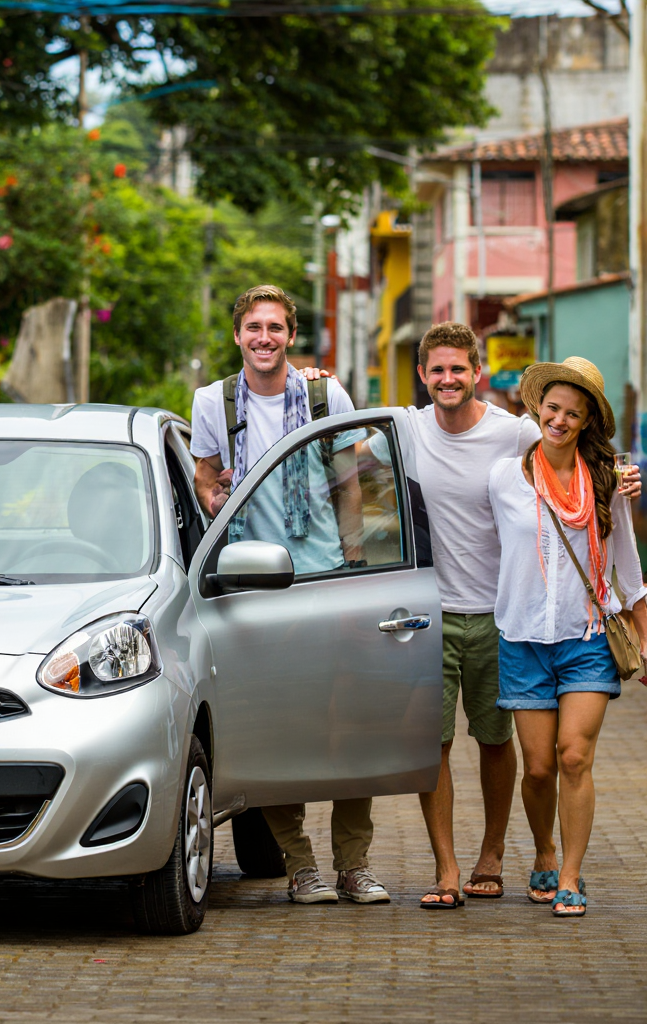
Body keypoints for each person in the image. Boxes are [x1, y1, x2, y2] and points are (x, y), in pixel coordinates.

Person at [305, 324, 639, 910]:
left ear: (476, 372)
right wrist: (316, 382)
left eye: (458, 368)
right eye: (437, 369)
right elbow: (345, 437)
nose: (447, 379)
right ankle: (446, 868)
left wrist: (623, 476)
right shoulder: (406, 429)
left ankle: (497, 856)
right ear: (423, 375)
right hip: (428, 614)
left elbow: (576, 460)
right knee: (432, 744)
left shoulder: (515, 435)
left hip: (502, 616)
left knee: (499, 743)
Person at [190, 283, 389, 905]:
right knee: (279, 728)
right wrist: (216, 501)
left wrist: (354, 563)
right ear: (237, 335)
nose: (264, 338)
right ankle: (301, 867)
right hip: (256, 583)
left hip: (325, 577)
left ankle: (354, 865)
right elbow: (203, 478)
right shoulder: (211, 402)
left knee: (346, 725)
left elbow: (350, 482)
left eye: (275, 327)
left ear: (292, 335)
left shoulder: (327, 394)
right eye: (254, 327)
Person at [488, 357, 647, 918]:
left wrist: (645, 641)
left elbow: (627, 570)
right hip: (523, 637)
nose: (559, 419)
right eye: (553, 408)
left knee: (574, 756)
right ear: (538, 410)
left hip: (586, 638)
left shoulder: (607, 481)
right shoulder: (504, 477)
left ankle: (572, 877)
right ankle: (545, 850)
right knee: (537, 767)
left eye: (572, 413)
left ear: (585, 422)